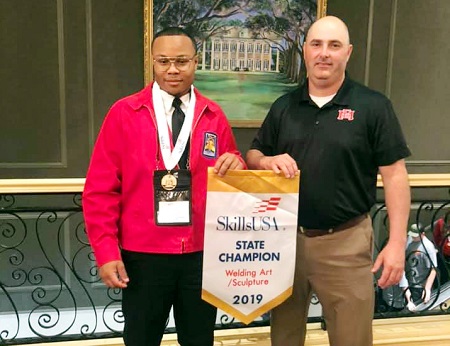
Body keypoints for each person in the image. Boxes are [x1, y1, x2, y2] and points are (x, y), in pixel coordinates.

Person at [246, 16, 411, 346]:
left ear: (348, 53)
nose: (324, 53)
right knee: (284, 336)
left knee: (352, 337)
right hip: (285, 242)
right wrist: (266, 160)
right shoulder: (284, 107)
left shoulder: (373, 106)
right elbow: (253, 155)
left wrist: (396, 243)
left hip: (346, 243)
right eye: (317, 44)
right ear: (305, 51)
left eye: (334, 46)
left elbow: (394, 176)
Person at [82, 27, 245, 346]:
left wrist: (236, 161)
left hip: (200, 255)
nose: (173, 69)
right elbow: (100, 190)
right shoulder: (124, 114)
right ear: (152, 62)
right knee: (141, 339)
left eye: (182, 61)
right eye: (164, 61)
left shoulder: (213, 116)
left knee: (199, 339)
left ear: (196, 63)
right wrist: (105, 251)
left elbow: (230, 161)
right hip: (143, 255)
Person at [404, 223, 438, 310]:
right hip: (409, 282)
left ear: (422, 234)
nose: (413, 238)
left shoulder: (428, 247)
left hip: (420, 285)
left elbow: (433, 269)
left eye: (416, 236)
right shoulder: (410, 241)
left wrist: (427, 288)